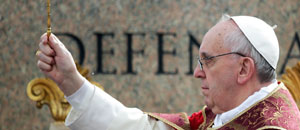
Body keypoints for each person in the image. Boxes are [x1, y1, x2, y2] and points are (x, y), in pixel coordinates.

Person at [36, 15, 300, 130]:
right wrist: (72, 82)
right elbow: (141, 128)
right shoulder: (220, 118)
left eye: (207, 61)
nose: (197, 73)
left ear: (243, 69)